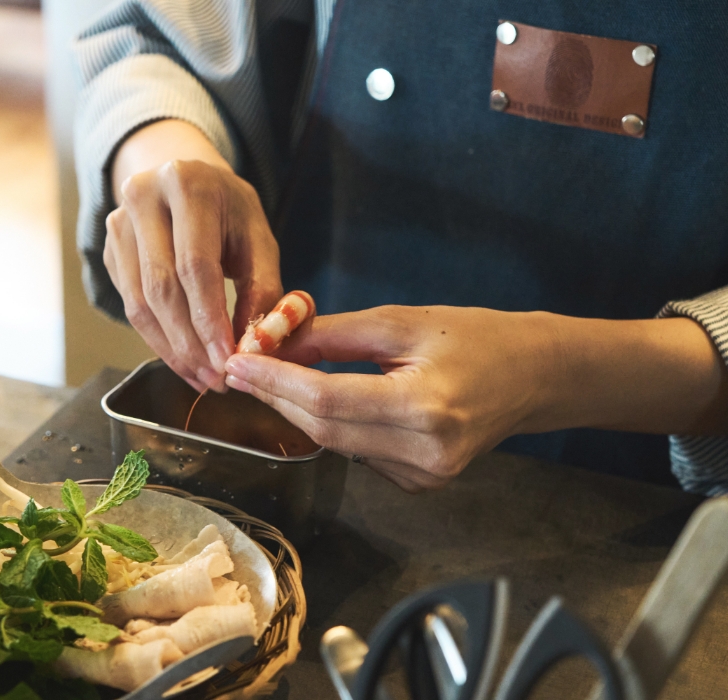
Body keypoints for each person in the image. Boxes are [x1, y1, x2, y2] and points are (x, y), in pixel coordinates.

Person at [70, 0, 728, 494]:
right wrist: (165, 155)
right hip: (315, 472)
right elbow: (147, 31)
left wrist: (552, 371)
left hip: (664, 521)